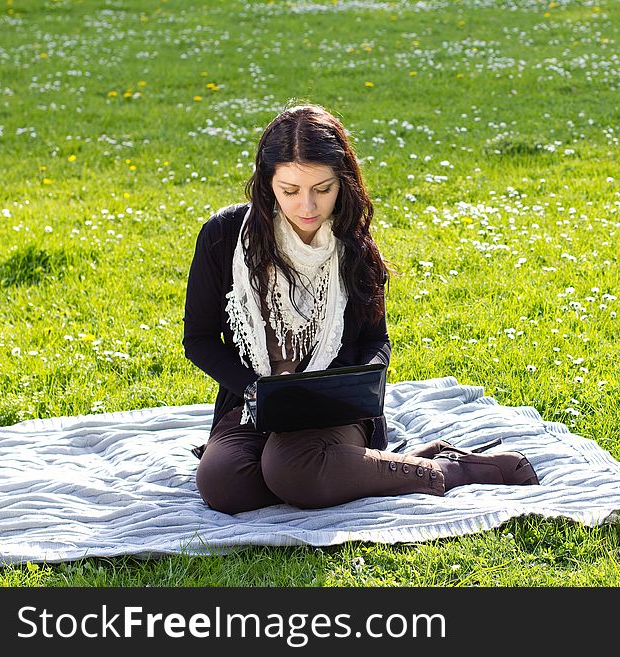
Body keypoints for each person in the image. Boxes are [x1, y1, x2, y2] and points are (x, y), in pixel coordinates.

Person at [183, 102, 539, 514]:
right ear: (267, 184)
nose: (308, 207)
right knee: (223, 484)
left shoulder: (352, 241)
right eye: (290, 190)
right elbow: (200, 339)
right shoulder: (225, 236)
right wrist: (252, 390)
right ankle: (368, 469)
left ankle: (449, 470)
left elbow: (376, 341)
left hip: (334, 411)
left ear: (343, 182)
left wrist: (340, 387)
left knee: (290, 468)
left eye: (323, 189)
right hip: (253, 404)